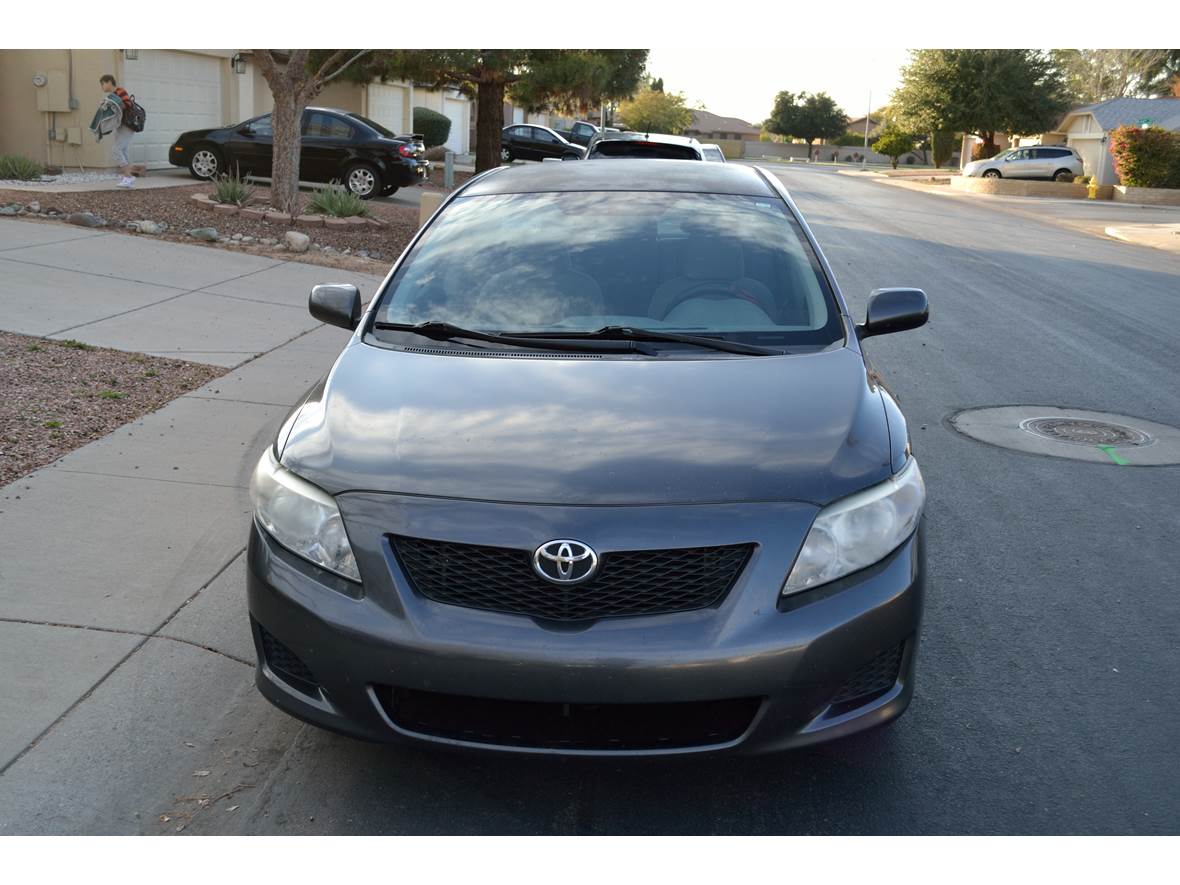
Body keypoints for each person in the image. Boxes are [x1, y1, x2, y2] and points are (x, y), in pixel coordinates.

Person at [96, 74, 135, 188]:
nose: (102, 87)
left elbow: (127, 104)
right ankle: (128, 178)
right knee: (123, 151)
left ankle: (128, 177)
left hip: (127, 125)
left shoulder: (120, 91)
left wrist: (112, 103)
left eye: (102, 84)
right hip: (121, 126)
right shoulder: (112, 95)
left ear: (108, 82)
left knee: (116, 150)